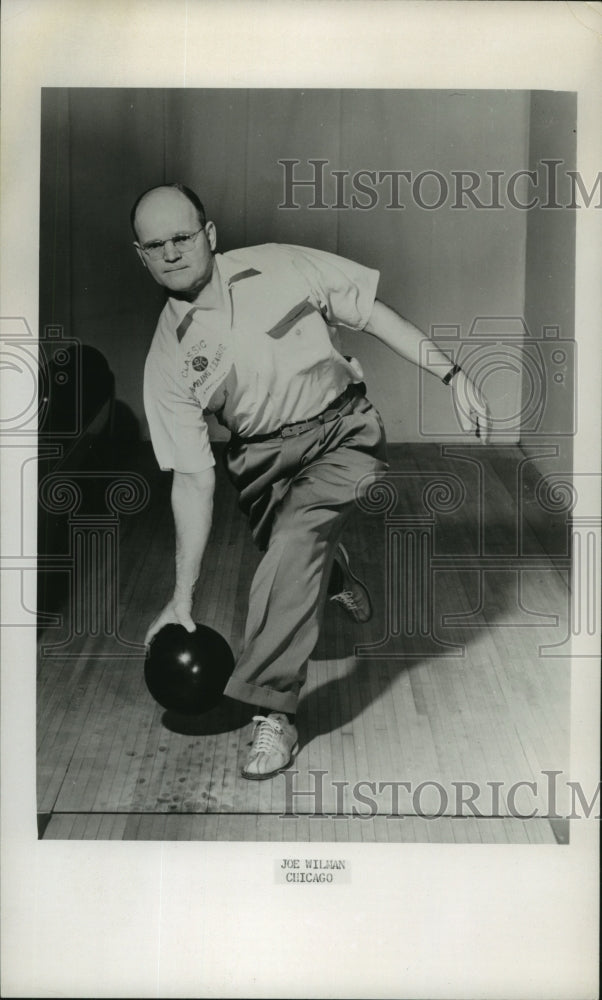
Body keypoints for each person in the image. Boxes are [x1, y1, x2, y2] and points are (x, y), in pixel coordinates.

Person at [135, 182, 490, 780]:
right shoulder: (168, 359)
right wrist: (181, 598)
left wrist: (452, 374)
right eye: (155, 245)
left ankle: (273, 711)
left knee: (297, 538)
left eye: (182, 237)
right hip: (259, 462)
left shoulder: (281, 265)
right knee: (294, 551)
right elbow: (193, 481)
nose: (171, 252)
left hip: (343, 432)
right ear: (141, 256)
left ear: (209, 235)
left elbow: (371, 312)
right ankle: (336, 577)